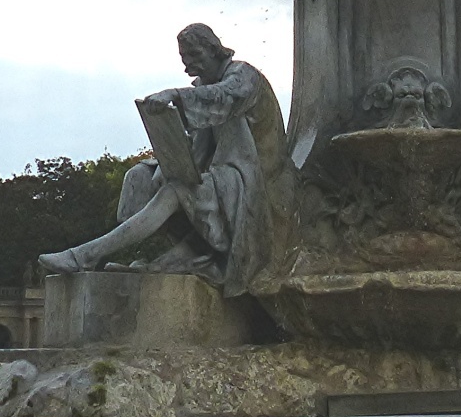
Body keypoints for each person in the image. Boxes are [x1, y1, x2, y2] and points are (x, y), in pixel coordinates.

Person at [38, 23, 295, 297]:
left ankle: (84, 256)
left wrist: (175, 95)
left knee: (178, 190)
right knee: (139, 177)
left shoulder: (243, 76)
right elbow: (198, 149)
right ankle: (168, 257)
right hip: (223, 178)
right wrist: (168, 165)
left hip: (255, 186)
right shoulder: (203, 87)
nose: (189, 68)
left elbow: (225, 99)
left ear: (214, 49)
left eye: (195, 57)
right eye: (185, 61)